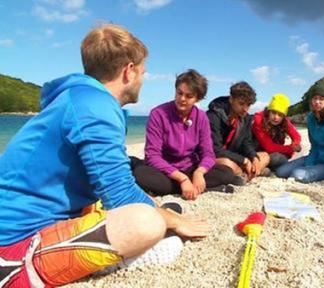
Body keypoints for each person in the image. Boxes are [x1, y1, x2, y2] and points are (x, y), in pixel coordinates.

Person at [0, 24, 211, 287]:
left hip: (46, 217)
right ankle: (30, 266)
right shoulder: (94, 106)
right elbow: (121, 197)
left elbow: (111, 180)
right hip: (13, 240)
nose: (143, 80)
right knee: (146, 222)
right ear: (129, 71)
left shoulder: (81, 97)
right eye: (143, 72)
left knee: (152, 206)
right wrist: (173, 221)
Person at [131, 69, 238, 199]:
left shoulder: (201, 117)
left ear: (197, 98)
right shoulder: (158, 114)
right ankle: (197, 188)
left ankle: (185, 188)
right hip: (165, 170)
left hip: (190, 168)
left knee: (226, 172)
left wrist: (199, 172)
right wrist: (182, 179)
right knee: (141, 174)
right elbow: (152, 156)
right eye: (179, 93)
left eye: (189, 96)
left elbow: (208, 154)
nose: (182, 99)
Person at [275, 80, 324, 184]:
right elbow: (314, 146)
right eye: (315, 98)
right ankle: (310, 169)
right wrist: (309, 165)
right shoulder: (311, 117)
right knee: (281, 172)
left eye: (321, 99)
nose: (317, 102)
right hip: (317, 157)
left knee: (297, 174)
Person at [207, 81, 270, 182]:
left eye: (248, 105)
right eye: (241, 104)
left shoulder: (245, 118)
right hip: (216, 156)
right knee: (228, 163)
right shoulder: (214, 115)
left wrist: (253, 156)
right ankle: (248, 173)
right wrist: (243, 160)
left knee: (264, 156)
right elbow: (215, 149)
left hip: (234, 155)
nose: (245, 109)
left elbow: (247, 142)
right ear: (231, 99)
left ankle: (245, 174)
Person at [252, 93, 302, 171]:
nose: (276, 117)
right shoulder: (259, 120)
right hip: (257, 152)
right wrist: (291, 148)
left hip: (273, 153)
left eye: (280, 115)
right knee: (276, 158)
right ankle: (263, 167)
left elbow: (296, 136)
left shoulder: (284, 121)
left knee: (278, 158)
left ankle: (264, 168)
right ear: (269, 111)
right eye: (274, 113)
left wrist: (295, 143)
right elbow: (269, 147)